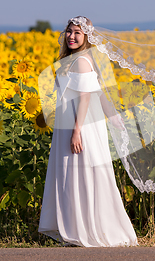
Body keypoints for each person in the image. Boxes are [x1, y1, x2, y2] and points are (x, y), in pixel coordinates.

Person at [38, 16, 138, 247]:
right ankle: (75, 227)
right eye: (69, 32)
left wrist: (77, 131)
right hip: (72, 122)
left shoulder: (82, 61)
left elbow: (85, 98)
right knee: (73, 173)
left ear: (87, 37)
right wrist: (111, 115)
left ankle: (89, 229)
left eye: (78, 33)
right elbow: (98, 91)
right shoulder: (73, 59)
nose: (72, 37)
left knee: (83, 172)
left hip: (79, 124)